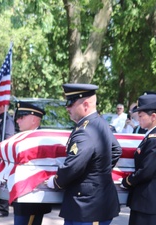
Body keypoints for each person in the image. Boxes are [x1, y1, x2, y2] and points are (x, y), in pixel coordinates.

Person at [46, 83, 122, 225]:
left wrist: (56, 181)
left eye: (71, 103)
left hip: (88, 207)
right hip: (92, 202)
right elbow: (116, 149)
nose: (67, 108)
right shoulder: (99, 123)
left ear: (85, 104)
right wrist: (98, 171)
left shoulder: (85, 131)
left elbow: (73, 166)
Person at [121, 94, 156, 225]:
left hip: (151, 204)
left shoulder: (154, 140)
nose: (138, 118)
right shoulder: (154, 136)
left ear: (153, 117)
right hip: (151, 202)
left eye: (141, 116)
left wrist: (127, 181)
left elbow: (146, 171)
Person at [12, 101, 52, 225]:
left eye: (21, 117)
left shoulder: (41, 141)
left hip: (32, 200)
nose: (17, 121)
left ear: (34, 119)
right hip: (22, 197)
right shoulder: (20, 137)